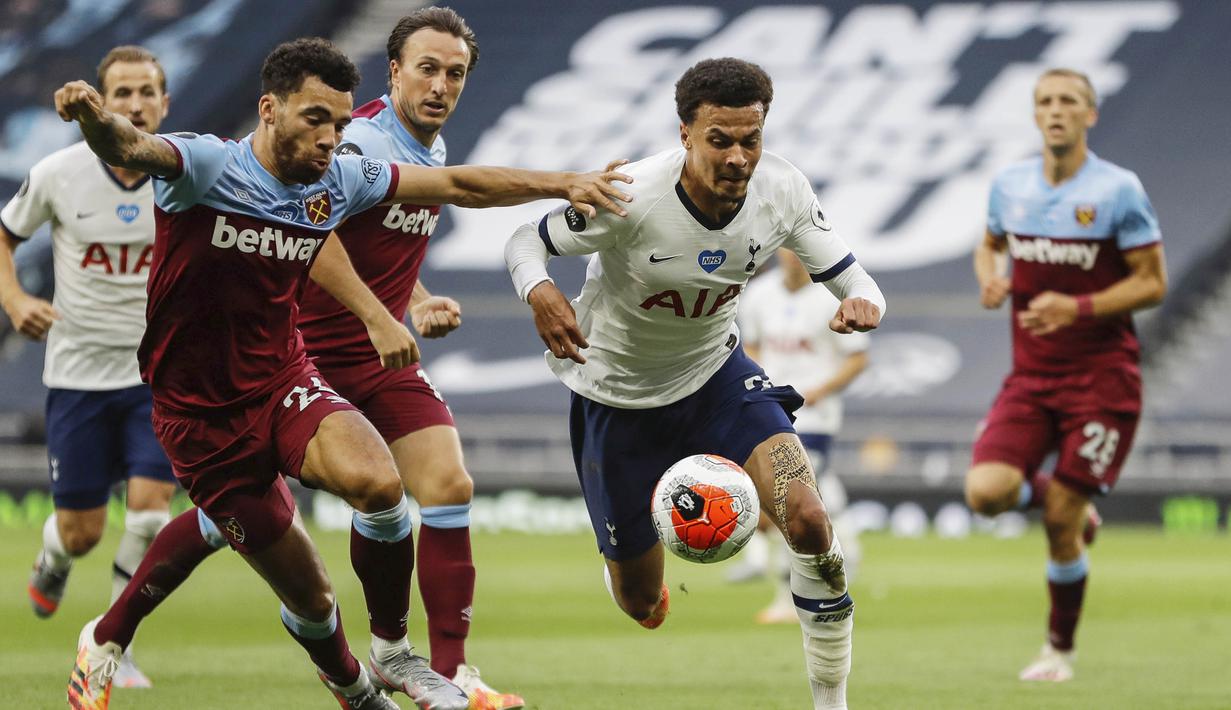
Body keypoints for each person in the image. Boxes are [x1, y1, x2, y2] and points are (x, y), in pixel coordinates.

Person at [55, 37, 630, 710]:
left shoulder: (339, 178)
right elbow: (129, 147)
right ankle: (343, 688)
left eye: (338, 122)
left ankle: (395, 652)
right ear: (269, 110)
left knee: (380, 485)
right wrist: (92, 117)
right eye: (314, 120)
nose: (331, 138)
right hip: (199, 415)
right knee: (312, 598)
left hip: (283, 380)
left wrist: (563, 183)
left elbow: (457, 184)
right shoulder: (208, 166)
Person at [504, 57, 885, 710]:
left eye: (750, 140)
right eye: (719, 140)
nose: (738, 157)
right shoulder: (629, 195)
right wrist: (539, 291)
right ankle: (626, 559)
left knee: (808, 518)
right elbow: (523, 241)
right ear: (685, 134)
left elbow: (855, 277)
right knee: (640, 604)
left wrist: (863, 302)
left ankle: (832, 703)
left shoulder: (782, 189)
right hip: (617, 397)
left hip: (716, 377)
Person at [299, 8, 522, 708]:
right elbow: (309, 234)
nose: (440, 85)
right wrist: (377, 315)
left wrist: (416, 299)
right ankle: (111, 633)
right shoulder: (361, 140)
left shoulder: (431, 144)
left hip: (380, 357)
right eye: (427, 69)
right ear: (394, 71)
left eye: (455, 73)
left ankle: (452, 675)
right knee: (230, 522)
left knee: (448, 486)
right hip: (305, 357)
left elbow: (379, 247)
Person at [966, 67, 1166, 682]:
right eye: (1046, 101)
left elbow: (1152, 283)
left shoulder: (1117, 190)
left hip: (1103, 382)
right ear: (1035, 114)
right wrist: (991, 279)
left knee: (1059, 520)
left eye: (1069, 101)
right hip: (1031, 378)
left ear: (1089, 115)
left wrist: (1077, 307)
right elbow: (988, 244)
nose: (1056, 110)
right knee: (986, 493)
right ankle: (1069, 501)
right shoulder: (1011, 185)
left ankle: (1058, 650)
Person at [0, 45, 176, 690]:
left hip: (157, 376)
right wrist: (15, 300)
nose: (135, 104)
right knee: (81, 533)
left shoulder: (186, 173)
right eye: (121, 92)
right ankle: (53, 558)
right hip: (77, 377)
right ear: (102, 102)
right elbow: (4, 234)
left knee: (151, 514)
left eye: (146, 92)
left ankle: (115, 643)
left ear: (165, 103)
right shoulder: (59, 172)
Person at [733, 249, 870, 624]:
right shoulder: (759, 294)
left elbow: (858, 358)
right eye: (787, 247)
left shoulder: (832, 296)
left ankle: (786, 594)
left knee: (788, 501)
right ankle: (847, 551)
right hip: (770, 411)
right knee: (808, 494)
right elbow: (751, 345)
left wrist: (821, 390)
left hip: (815, 417)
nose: (793, 256)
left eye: (799, 248)